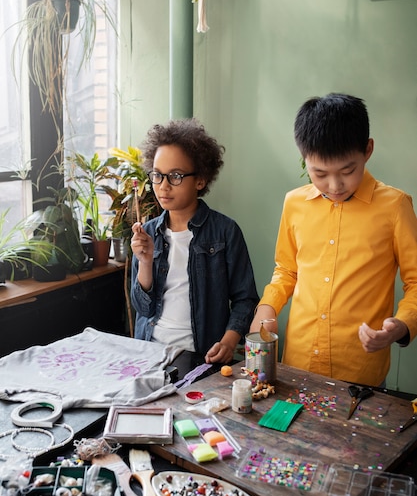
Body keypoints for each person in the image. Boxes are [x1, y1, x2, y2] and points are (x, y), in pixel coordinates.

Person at [250, 93, 417, 386]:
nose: (335, 185)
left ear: (367, 150)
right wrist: (268, 306)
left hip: (359, 371)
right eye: (319, 173)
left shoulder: (395, 206)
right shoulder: (294, 203)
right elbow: (287, 271)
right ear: (305, 160)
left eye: (347, 171)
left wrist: (401, 326)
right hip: (298, 363)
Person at [130, 118, 259, 365]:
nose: (163, 186)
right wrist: (145, 262)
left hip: (202, 356)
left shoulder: (225, 231)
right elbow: (143, 309)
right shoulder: (146, 234)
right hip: (150, 353)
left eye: (175, 176)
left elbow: (246, 299)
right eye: (157, 175)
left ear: (200, 180)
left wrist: (229, 341)